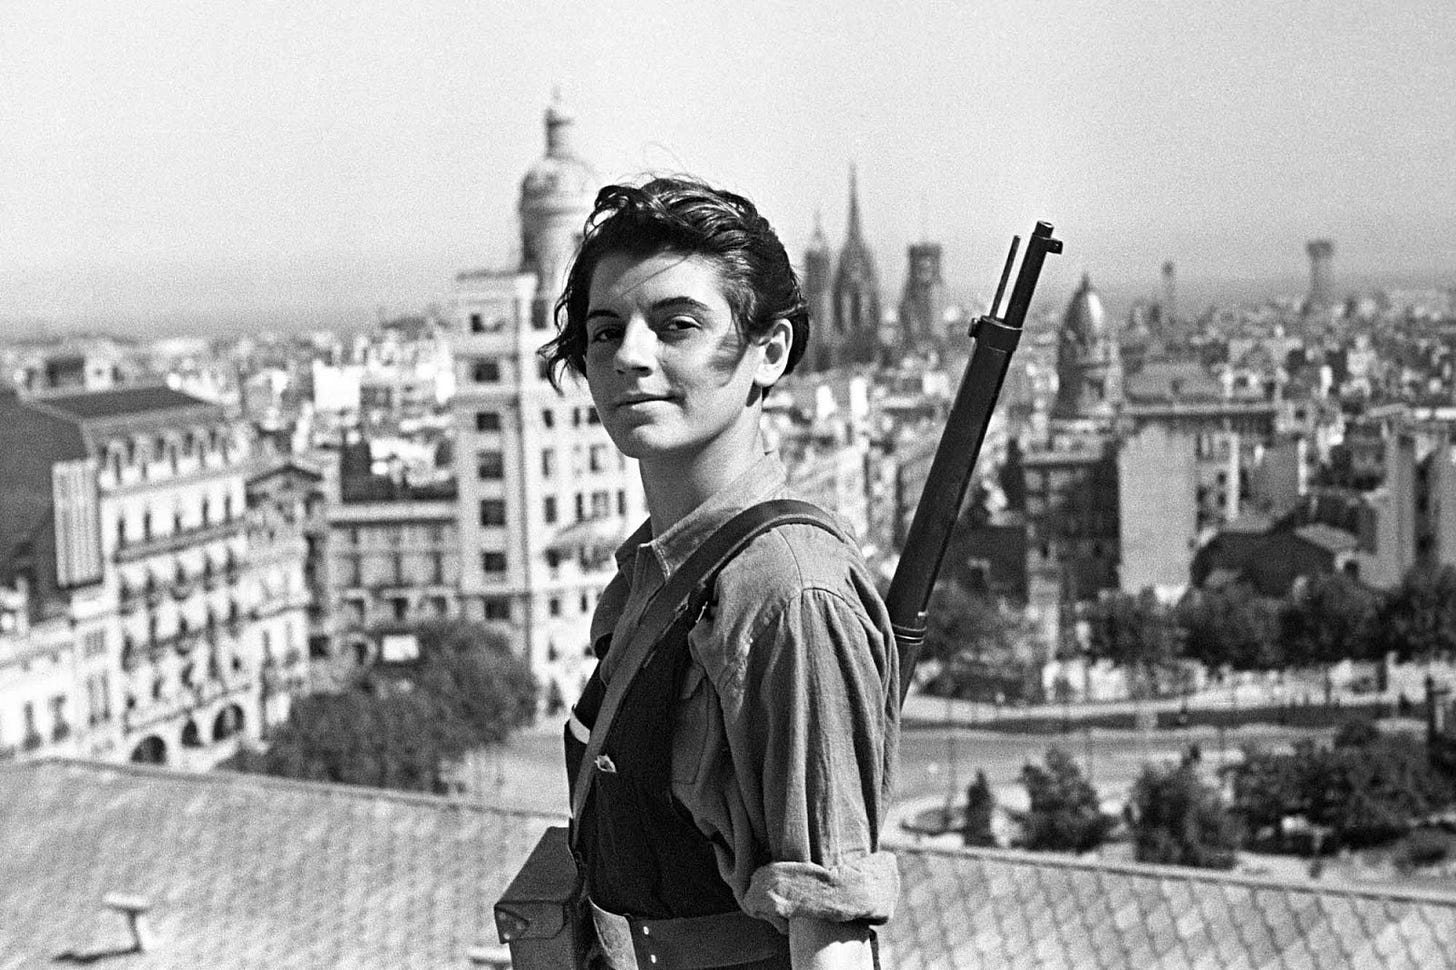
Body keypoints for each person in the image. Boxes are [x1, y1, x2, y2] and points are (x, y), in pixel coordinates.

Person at [541, 177, 900, 970]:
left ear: (768, 351)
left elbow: (831, 927)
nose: (631, 357)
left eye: (677, 326)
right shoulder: (656, 568)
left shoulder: (786, 592)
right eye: (605, 333)